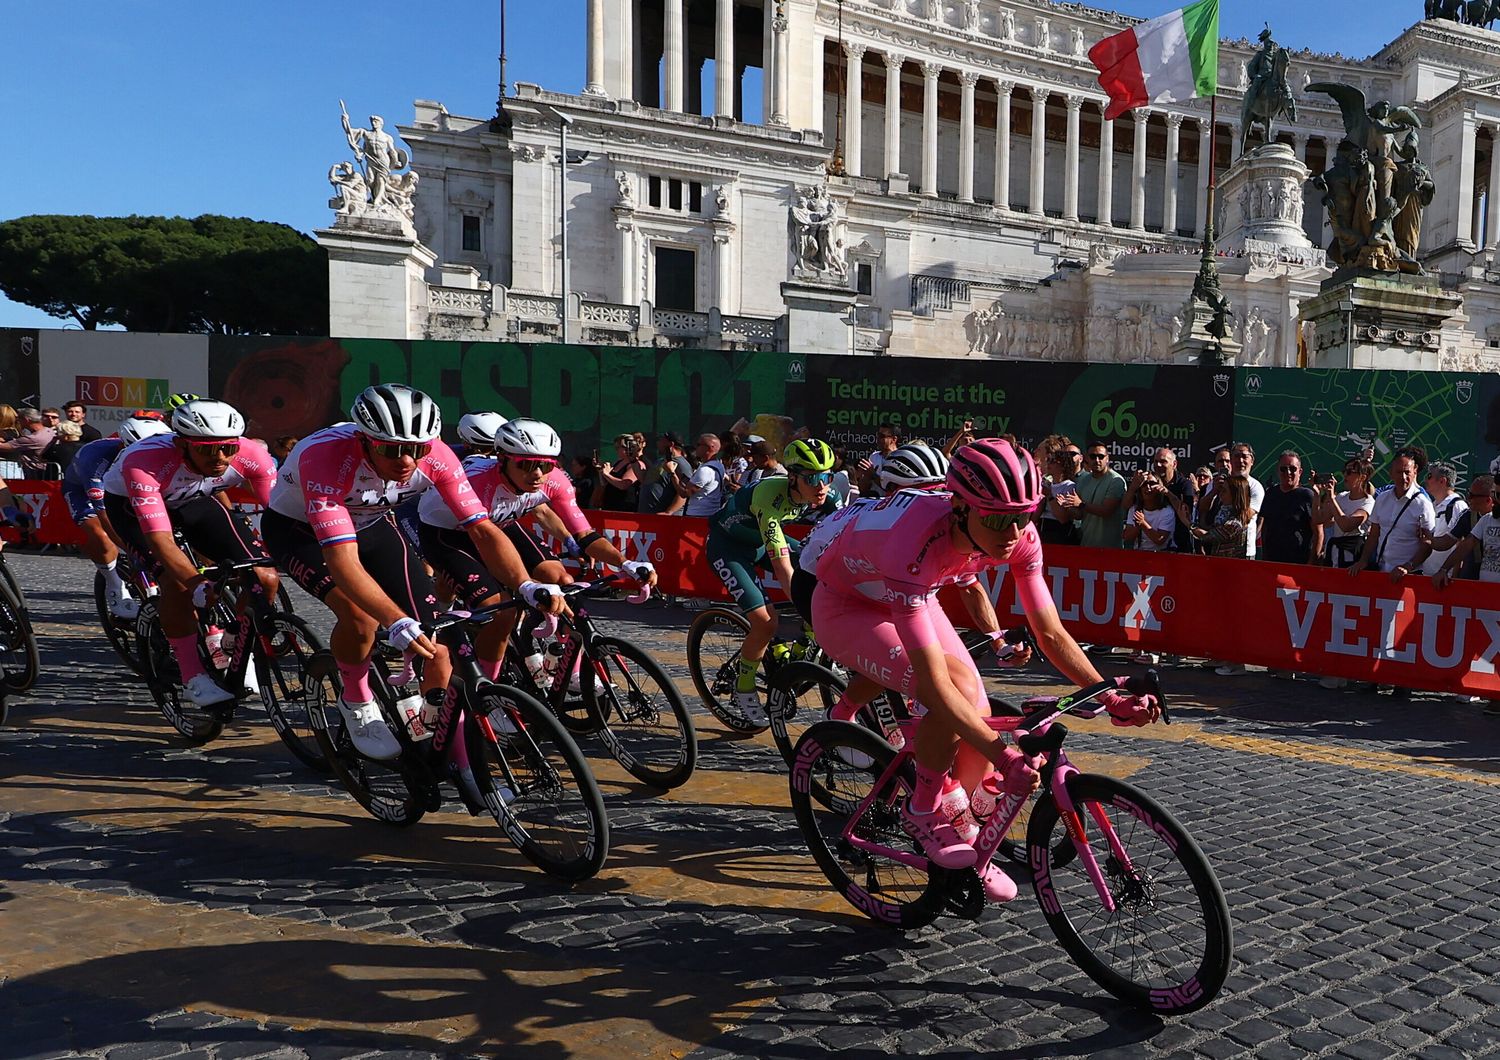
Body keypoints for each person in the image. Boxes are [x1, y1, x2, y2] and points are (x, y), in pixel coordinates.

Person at [811, 438, 1159, 901]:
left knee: (974, 697)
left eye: (1024, 516)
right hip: (846, 604)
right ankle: (923, 807)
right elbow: (934, 684)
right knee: (949, 689)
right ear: (959, 508)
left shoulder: (1019, 533)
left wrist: (1108, 696)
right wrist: (1003, 755)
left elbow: (1050, 634)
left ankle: (967, 835)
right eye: (997, 519)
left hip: (909, 591)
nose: (1012, 532)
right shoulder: (914, 542)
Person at [261, 384, 550, 760]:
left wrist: (524, 584)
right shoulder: (326, 456)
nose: (407, 462)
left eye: (417, 450)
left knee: (434, 637)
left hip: (373, 525)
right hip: (299, 532)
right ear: (365, 440)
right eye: (392, 450)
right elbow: (342, 560)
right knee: (361, 619)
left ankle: (434, 723)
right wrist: (394, 620)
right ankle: (356, 702)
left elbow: (482, 529)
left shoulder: (438, 455)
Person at [412, 416, 652, 698]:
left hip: (499, 524)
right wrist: (525, 585)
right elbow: (485, 537)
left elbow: (585, 534)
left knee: (561, 579)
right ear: (502, 459)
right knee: (502, 610)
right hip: (447, 533)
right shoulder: (478, 482)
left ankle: (557, 660)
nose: (537, 473)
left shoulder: (554, 481)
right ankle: (487, 693)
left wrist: (626, 563)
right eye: (525, 465)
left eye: (545, 465)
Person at [101, 399, 280, 709]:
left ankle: (233, 642)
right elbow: (160, 539)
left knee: (264, 576)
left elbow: (280, 515)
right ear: (183, 445)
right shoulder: (145, 461)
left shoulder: (252, 454)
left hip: (194, 498)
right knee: (178, 585)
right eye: (209, 449)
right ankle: (192, 677)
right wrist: (195, 582)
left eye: (228, 448)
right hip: (132, 509)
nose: (221, 457)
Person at [706, 438, 840, 729]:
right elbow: (783, 569)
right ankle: (743, 689)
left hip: (760, 540)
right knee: (766, 622)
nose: (822, 486)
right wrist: (811, 611)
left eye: (828, 476)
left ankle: (793, 649)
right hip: (728, 548)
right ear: (792, 478)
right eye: (813, 478)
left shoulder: (825, 494)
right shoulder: (770, 496)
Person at [61, 412, 172, 618]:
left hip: (125, 488)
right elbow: (105, 516)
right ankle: (114, 583)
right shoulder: (94, 460)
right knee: (102, 537)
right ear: (124, 446)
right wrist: (132, 549)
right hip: (82, 491)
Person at [1351, 448, 1435, 582]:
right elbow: (1374, 534)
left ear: (1415, 472)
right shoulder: (1382, 499)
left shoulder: (1423, 504)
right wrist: (1363, 561)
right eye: (1399, 472)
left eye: (1407, 472)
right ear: (1391, 474)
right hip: (1381, 571)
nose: (1403, 477)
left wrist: (1408, 567)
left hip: (1409, 576)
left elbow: (1428, 544)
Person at [1058, 441, 1125, 548]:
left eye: (1101, 456)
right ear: (1087, 458)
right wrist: (1068, 507)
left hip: (1110, 548)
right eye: (1093, 456)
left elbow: (1106, 511)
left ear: (1107, 458)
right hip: (1087, 545)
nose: (1097, 460)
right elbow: (1080, 515)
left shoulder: (1116, 480)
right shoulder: (1084, 480)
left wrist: (1080, 504)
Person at [1259, 451, 1321, 565]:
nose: (1288, 472)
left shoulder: (1307, 496)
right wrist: (1264, 557)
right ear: (1278, 470)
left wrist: (1312, 562)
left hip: (1299, 563)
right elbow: (1265, 527)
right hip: (1272, 562)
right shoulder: (1270, 494)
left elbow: (1318, 532)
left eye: (1293, 469)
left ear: (1300, 472)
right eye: (1283, 469)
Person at [1312, 456, 1375, 568]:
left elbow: (1346, 526)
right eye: (1344, 471)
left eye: (1350, 472)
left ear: (1362, 477)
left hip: (1353, 559)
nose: (1345, 475)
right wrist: (1317, 494)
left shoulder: (1368, 502)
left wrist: (1331, 499)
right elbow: (1318, 519)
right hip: (1335, 556)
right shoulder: (1341, 497)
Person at [1418, 462, 1467, 576]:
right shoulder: (1431, 505)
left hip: (1445, 579)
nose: (1426, 480)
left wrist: (1454, 577)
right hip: (1425, 575)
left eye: (1429, 476)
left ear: (1442, 481)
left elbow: (1461, 545)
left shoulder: (1457, 506)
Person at [637, 433, 692, 515]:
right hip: (649, 515)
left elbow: (683, 493)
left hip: (665, 519)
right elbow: (645, 480)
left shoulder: (682, 464)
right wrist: (634, 459)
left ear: (671, 444)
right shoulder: (661, 461)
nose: (657, 443)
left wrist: (668, 512)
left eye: (661, 441)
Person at [1121, 472, 1177, 552]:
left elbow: (1160, 540)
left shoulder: (1167, 511)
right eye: (1144, 484)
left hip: (1163, 554)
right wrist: (1137, 526)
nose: (1148, 487)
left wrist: (1143, 523)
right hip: (1140, 553)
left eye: (1152, 483)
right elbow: (1127, 537)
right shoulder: (1134, 509)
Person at [1227, 442, 1265, 558]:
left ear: (1252, 461)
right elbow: (1203, 510)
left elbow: (1245, 517)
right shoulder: (1218, 483)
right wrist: (1214, 491)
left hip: (1243, 552)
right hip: (1217, 550)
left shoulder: (1255, 487)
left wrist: (1210, 533)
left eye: (1244, 456)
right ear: (1231, 460)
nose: (1240, 461)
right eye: (1237, 456)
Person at [1039, 443, 1082, 546]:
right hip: (1042, 529)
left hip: (1059, 534)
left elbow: (1063, 518)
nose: (1049, 464)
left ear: (1063, 466)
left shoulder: (1069, 486)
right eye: (1048, 460)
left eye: (1053, 461)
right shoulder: (1046, 483)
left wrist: (1049, 496)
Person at [593, 433, 647, 511]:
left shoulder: (636, 464)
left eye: (618, 447)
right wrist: (601, 471)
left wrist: (607, 474)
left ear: (628, 447)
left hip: (624, 507)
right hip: (610, 505)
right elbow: (605, 483)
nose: (616, 450)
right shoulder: (618, 462)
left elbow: (624, 485)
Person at [0, 408, 57, 477]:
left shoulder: (33, 439)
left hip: (37, 475)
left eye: (19, 419)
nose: (17, 422)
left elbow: (3, 447)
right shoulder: (48, 431)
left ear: (26, 420)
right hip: (46, 472)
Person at [680, 433, 726, 517]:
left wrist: (672, 474)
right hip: (711, 513)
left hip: (698, 515)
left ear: (710, 447)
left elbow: (685, 493)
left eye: (699, 445)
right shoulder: (719, 465)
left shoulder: (705, 470)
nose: (696, 447)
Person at [856, 424, 901, 497]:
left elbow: (892, 489)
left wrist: (873, 475)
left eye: (882, 436)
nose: (878, 439)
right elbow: (863, 489)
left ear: (894, 439)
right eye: (878, 435)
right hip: (873, 503)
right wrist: (866, 477)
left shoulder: (900, 458)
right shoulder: (874, 457)